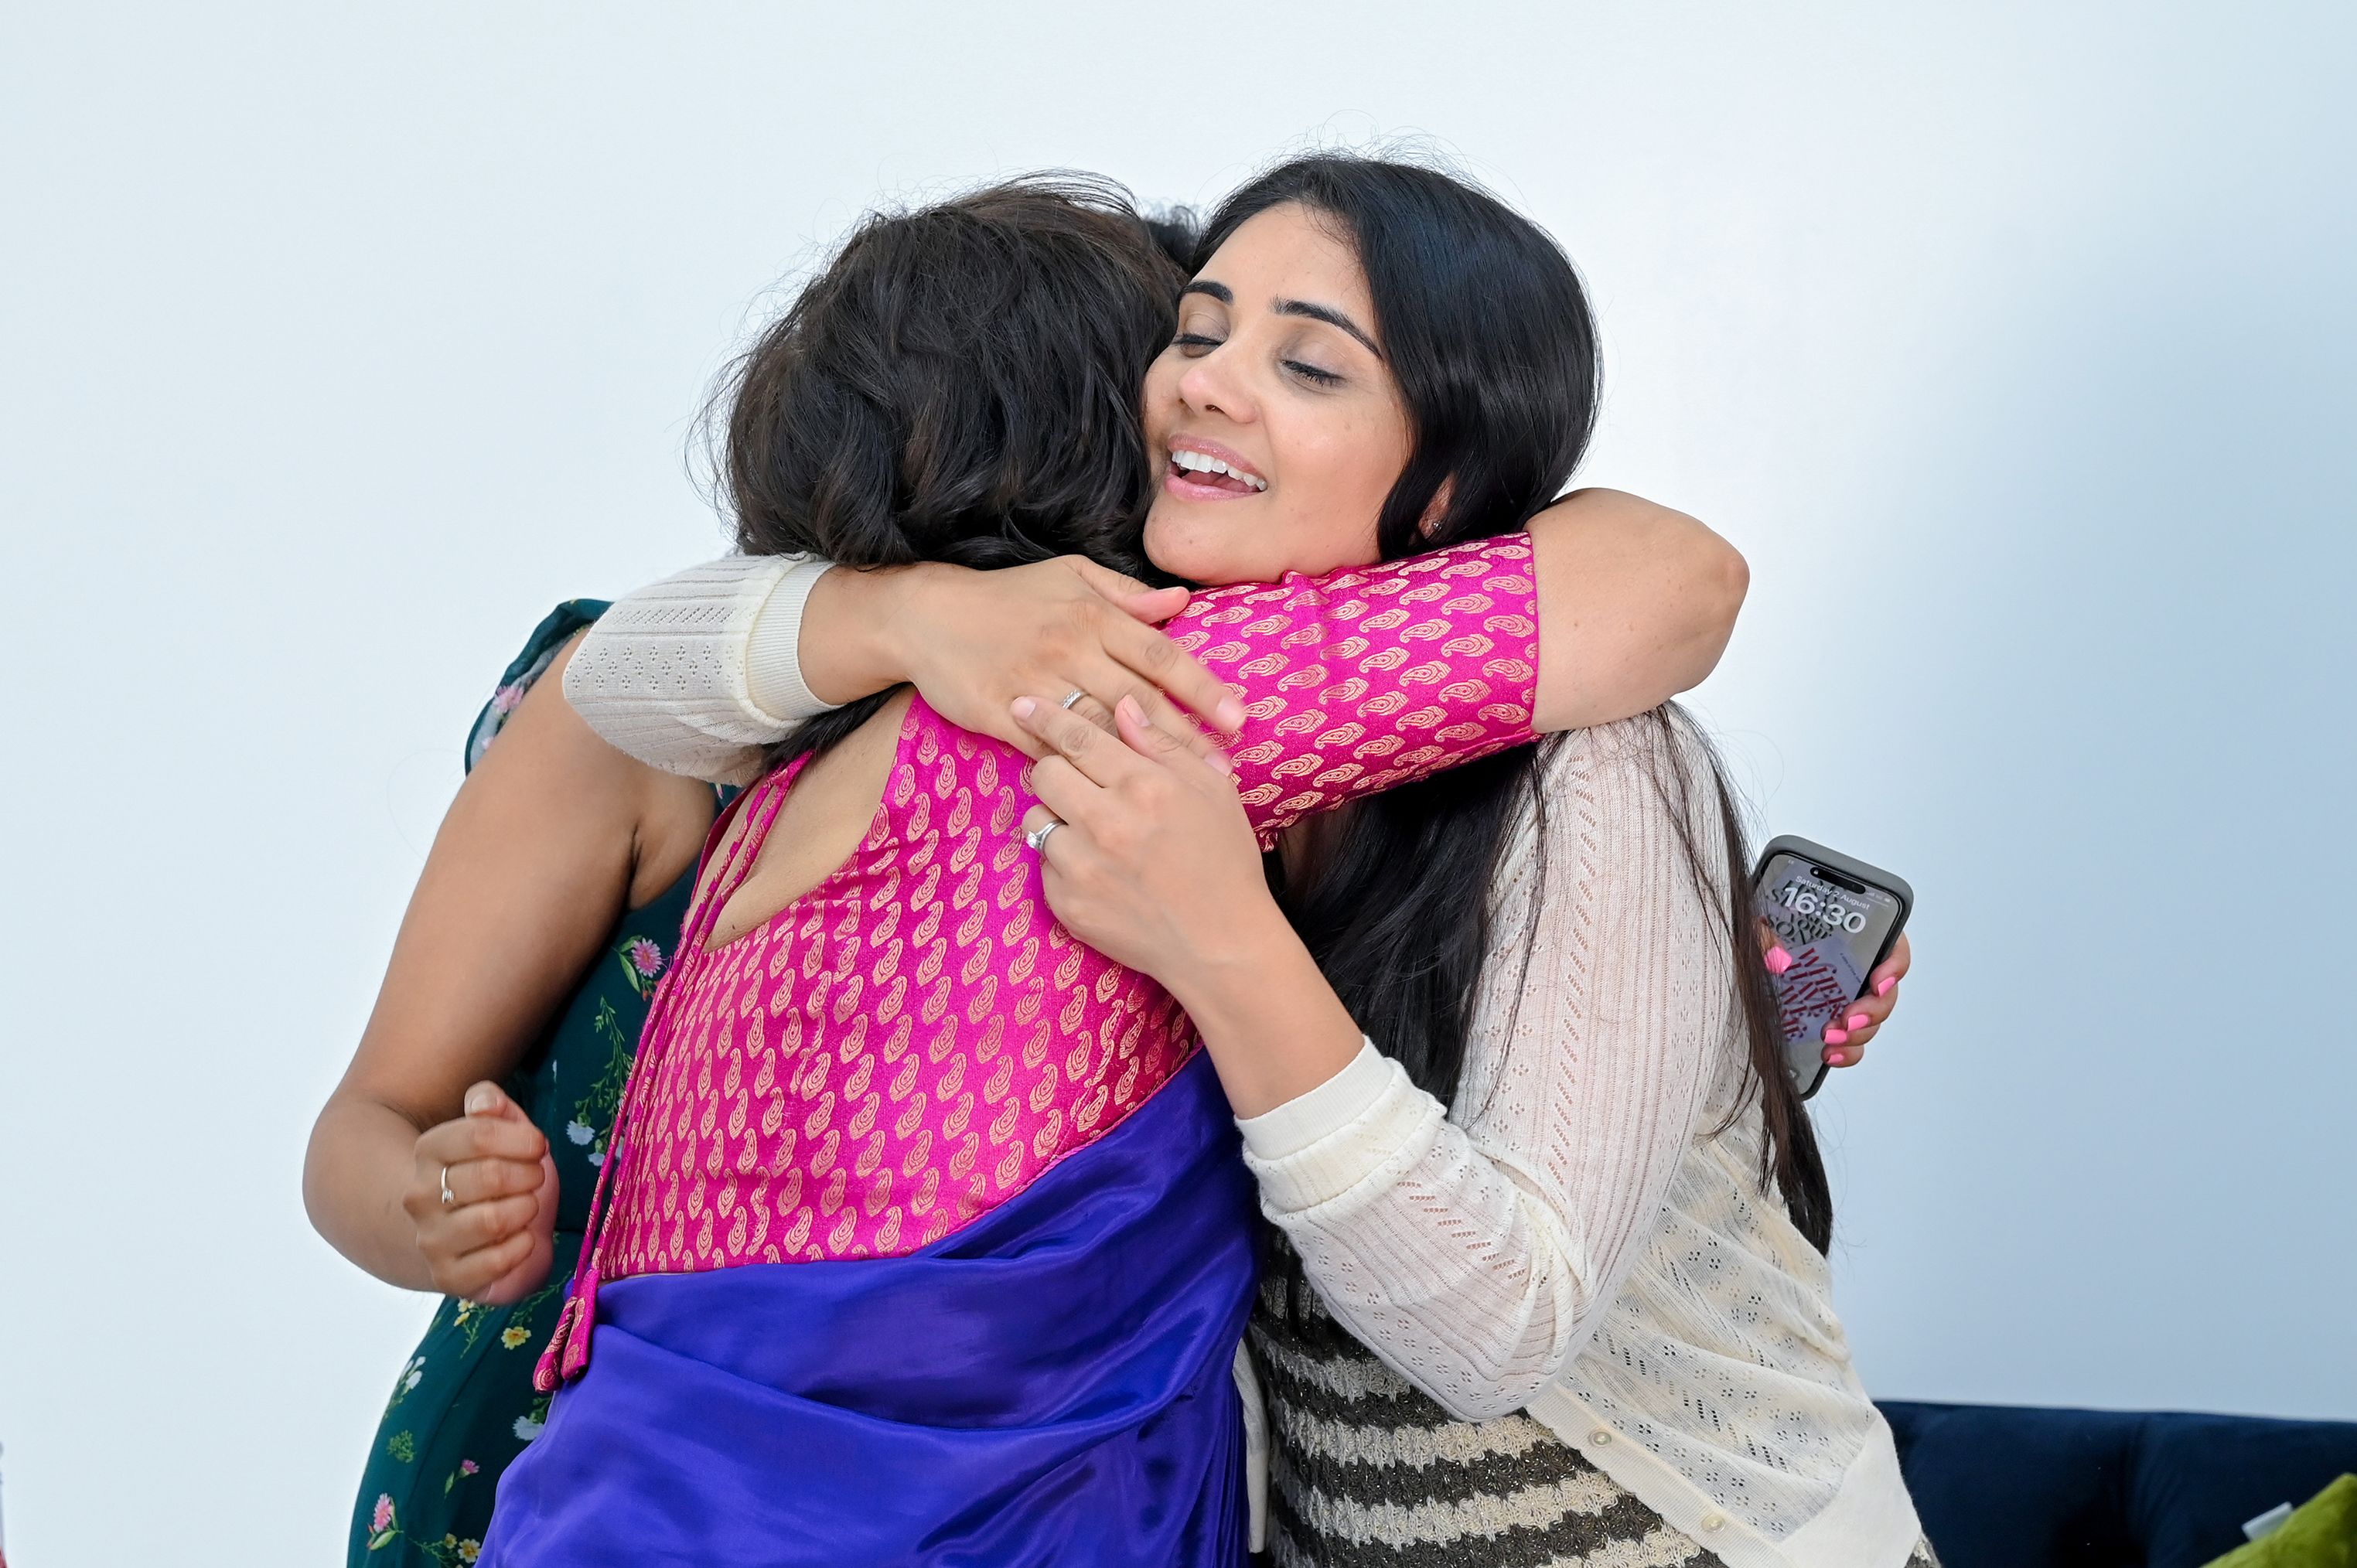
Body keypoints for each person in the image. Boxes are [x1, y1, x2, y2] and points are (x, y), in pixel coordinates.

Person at [573, 155, 1926, 1566]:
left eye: (1311, 366)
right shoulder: (1139, 695)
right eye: (1199, 330)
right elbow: (618, 683)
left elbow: (1499, 1329)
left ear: (1451, 476)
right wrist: (916, 617)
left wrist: (1224, 940)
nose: (1210, 383)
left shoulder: (1584, 760)